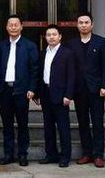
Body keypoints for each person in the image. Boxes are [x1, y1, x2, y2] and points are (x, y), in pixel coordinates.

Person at [70, 12, 105, 168]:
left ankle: (99, 155)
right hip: (79, 89)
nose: (84, 25)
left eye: (86, 22)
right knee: (83, 122)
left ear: (92, 24)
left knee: (98, 122)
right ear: (77, 25)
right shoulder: (71, 43)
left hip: (96, 89)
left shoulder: (101, 42)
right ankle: (87, 153)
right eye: (81, 22)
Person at [0, 15, 38, 166]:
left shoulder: (29, 46)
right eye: (10, 25)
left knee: (22, 124)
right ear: (6, 27)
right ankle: (8, 154)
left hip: (22, 91)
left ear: (21, 26)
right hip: (4, 91)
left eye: (16, 25)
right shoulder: (1, 46)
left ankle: (22, 154)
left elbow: (34, 69)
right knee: (7, 124)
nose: (13, 27)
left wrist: (32, 88)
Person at [37, 24, 76, 168]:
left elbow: (71, 76)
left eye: (54, 34)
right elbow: (39, 74)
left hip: (61, 95)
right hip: (46, 94)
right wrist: (37, 93)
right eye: (49, 35)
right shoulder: (43, 53)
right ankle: (51, 154)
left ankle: (65, 156)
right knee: (48, 127)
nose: (51, 37)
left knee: (63, 127)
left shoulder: (67, 53)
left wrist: (68, 95)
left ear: (60, 37)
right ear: (45, 37)